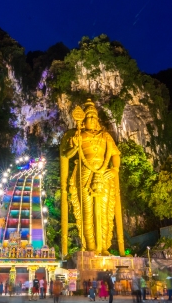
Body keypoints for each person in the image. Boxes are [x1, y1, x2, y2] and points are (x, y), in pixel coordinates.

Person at [60, 99, 124, 255]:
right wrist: (75, 146)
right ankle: (90, 247)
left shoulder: (105, 136)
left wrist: (114, 169)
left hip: (104, 175)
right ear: (83, 120)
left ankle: (104, 247)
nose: (93, 120)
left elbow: (115, 154)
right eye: (90, 117)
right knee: (86, 211)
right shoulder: (77, 135)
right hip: (84, 173)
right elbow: (65, 155)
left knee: (105, 211)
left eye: (95, 117)